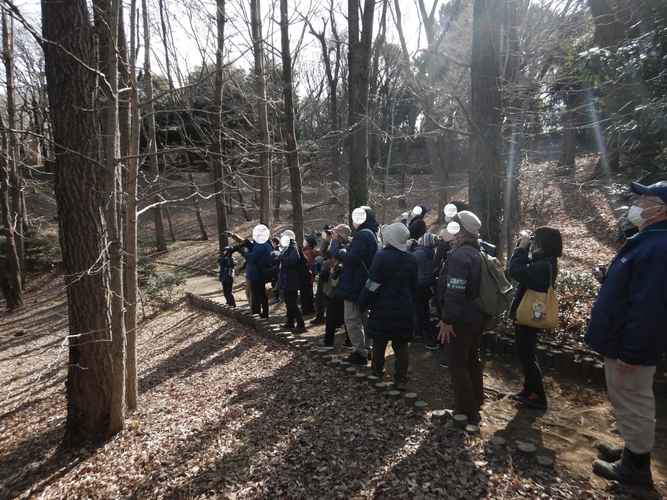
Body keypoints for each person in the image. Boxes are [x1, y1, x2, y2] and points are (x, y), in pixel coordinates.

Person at [584, 180, 667, 486]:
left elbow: (650, 306)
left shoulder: (657, 247)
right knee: (628, 399)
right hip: (622, 339)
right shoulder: (647, 239)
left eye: (646, 199)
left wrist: (632, 351)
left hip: (628, 345)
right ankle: (632, 450)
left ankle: (636, 466)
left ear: (662, 209)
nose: (638, 204)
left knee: (634, 400)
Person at [436, 210, 490, 424]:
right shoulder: (476, 249)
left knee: (457, 363)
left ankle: (465, 412)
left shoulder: (460, 255)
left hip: (462, 318)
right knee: (471, 360)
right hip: (477, 315)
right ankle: (476, 401)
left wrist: (448, 320)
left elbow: (455, 291)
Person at [508, 226, 562, 410]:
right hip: (530, 313)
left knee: (526, 355)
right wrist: (522, 245)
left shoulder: (544, 265)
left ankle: (538, 395)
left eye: (536, 240)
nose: (533, 243)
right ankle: (529, 388)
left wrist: (521, 248)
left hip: (531, 314)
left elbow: (515, 270)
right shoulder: (544, 262)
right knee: (525, 354)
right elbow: (521, 266)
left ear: (544, 243)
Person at [359, 222, 417, 390]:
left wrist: (362, 302)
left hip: (382, 305)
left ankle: (377, 373)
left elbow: (372, 284)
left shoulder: (381, 257)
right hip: (404, 306)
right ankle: (400, 379)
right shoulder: (411, 257)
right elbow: (414, 285)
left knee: (379, 341)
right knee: (400, 344)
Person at [330, 207, 380, 365]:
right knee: (363, 317)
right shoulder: (371, 233)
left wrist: (339, 249)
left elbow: (353, 258)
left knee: (351, 319)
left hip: (354, 283)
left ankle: (359, 353)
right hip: (362, 282)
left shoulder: (362, 235)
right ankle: (367, 349)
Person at [316, 224, 352, 349]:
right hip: (337, 285)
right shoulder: (336, 246)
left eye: (335, 234)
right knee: (344, 315)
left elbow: (336, 255)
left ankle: (328, 342)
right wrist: (328, 241)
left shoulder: (346, 248)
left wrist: (335, 240)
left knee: (333, 314)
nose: (333, 236)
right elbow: (324, 253)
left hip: (342, 286)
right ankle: (349, 341)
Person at [275, 230, 307, 334]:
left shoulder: (293, 247)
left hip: (291, 279)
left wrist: (279, 256)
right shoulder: (288, 248)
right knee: (288, 302)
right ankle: (290, 321)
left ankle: (300, 324)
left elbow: (291, 261)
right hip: (287, 278)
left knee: (292, 303)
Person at [241, 225, 273, 319]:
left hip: (256, 273)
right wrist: (249, 245)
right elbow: (257, 251)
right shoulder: (267, 243)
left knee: (255, 294)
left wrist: (243, 253)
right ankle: (265, 313)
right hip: (262, 272)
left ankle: (256, 315)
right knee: (262, 293)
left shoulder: (260, 244)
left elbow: (253, 257)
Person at [412, 232, 438, 342]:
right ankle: (426, 331)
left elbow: (410, 258)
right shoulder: (430, 251)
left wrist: (409, 247)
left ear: (424, 242)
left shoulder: (419, 253)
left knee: (417, 309)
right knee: (425, 308)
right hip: (426, 284)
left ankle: (417, 333)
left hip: (418, 284)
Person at [300, 234, 319, 315]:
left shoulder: (305, 252)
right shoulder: (313, 252)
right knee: (309, 292)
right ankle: (311, 308)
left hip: (305, 276)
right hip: (311, 275)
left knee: (304, 293)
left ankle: (305, 310)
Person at [269, 237, 281, 304]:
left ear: (275, 243)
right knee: (273, 283)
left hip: (276, 270)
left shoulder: (277, 250)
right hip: (275, 269)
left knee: (275, 283)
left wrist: (278, 271)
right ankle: (275, 296)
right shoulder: (275, 249)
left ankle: (277, 297)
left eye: (272, 242)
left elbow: (278, 261)